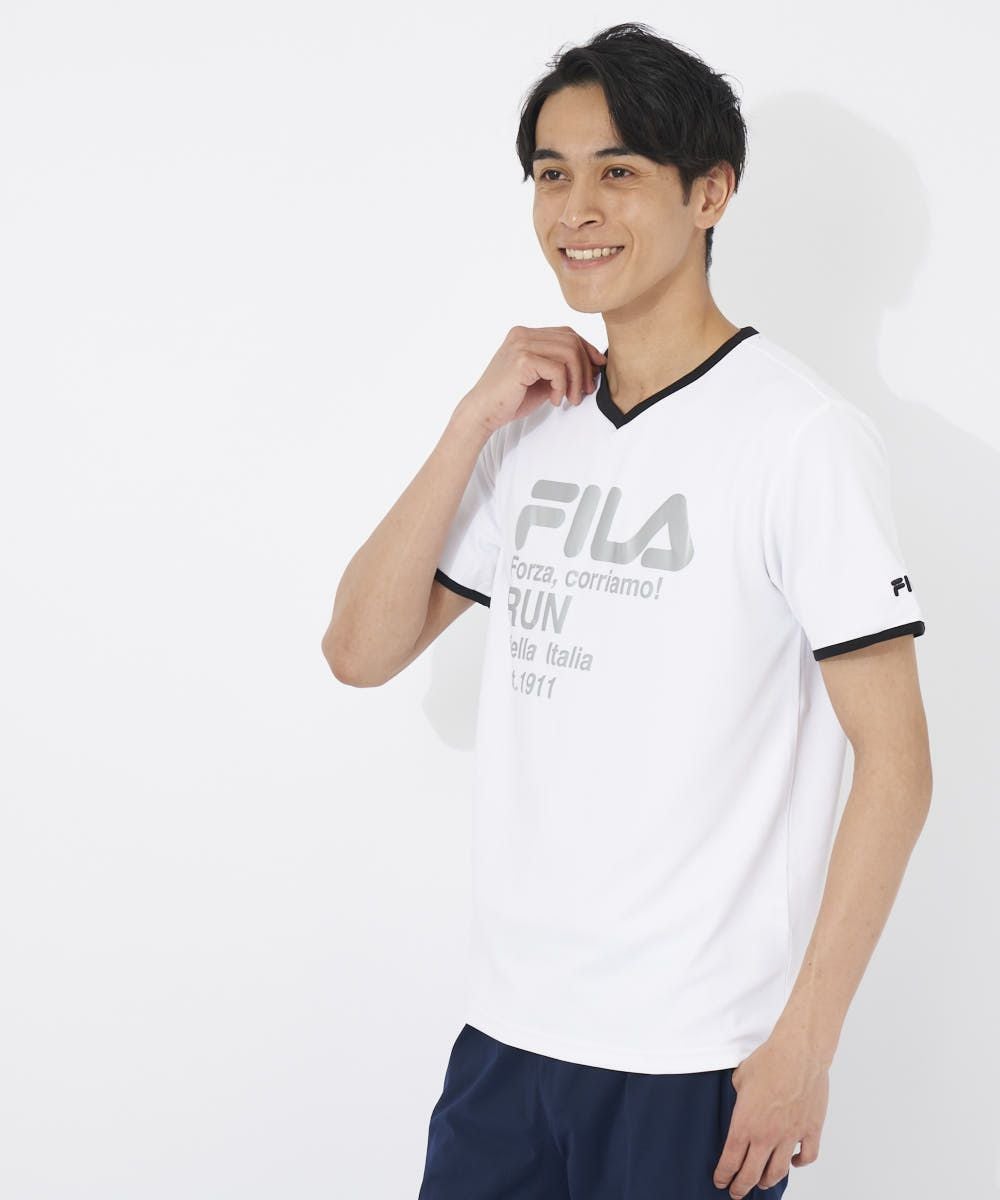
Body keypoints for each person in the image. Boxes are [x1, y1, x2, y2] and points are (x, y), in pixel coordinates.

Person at [322, 21, 932, 1200]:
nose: (576, 209)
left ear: (710, 194)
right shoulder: (532, 424)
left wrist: (805, 1044)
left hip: (692, 1059)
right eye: (550, 174)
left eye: (618, 171)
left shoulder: (798, 438)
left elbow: (897, 763)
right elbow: (358, 649)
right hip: (507, 1040)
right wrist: (470, 419)